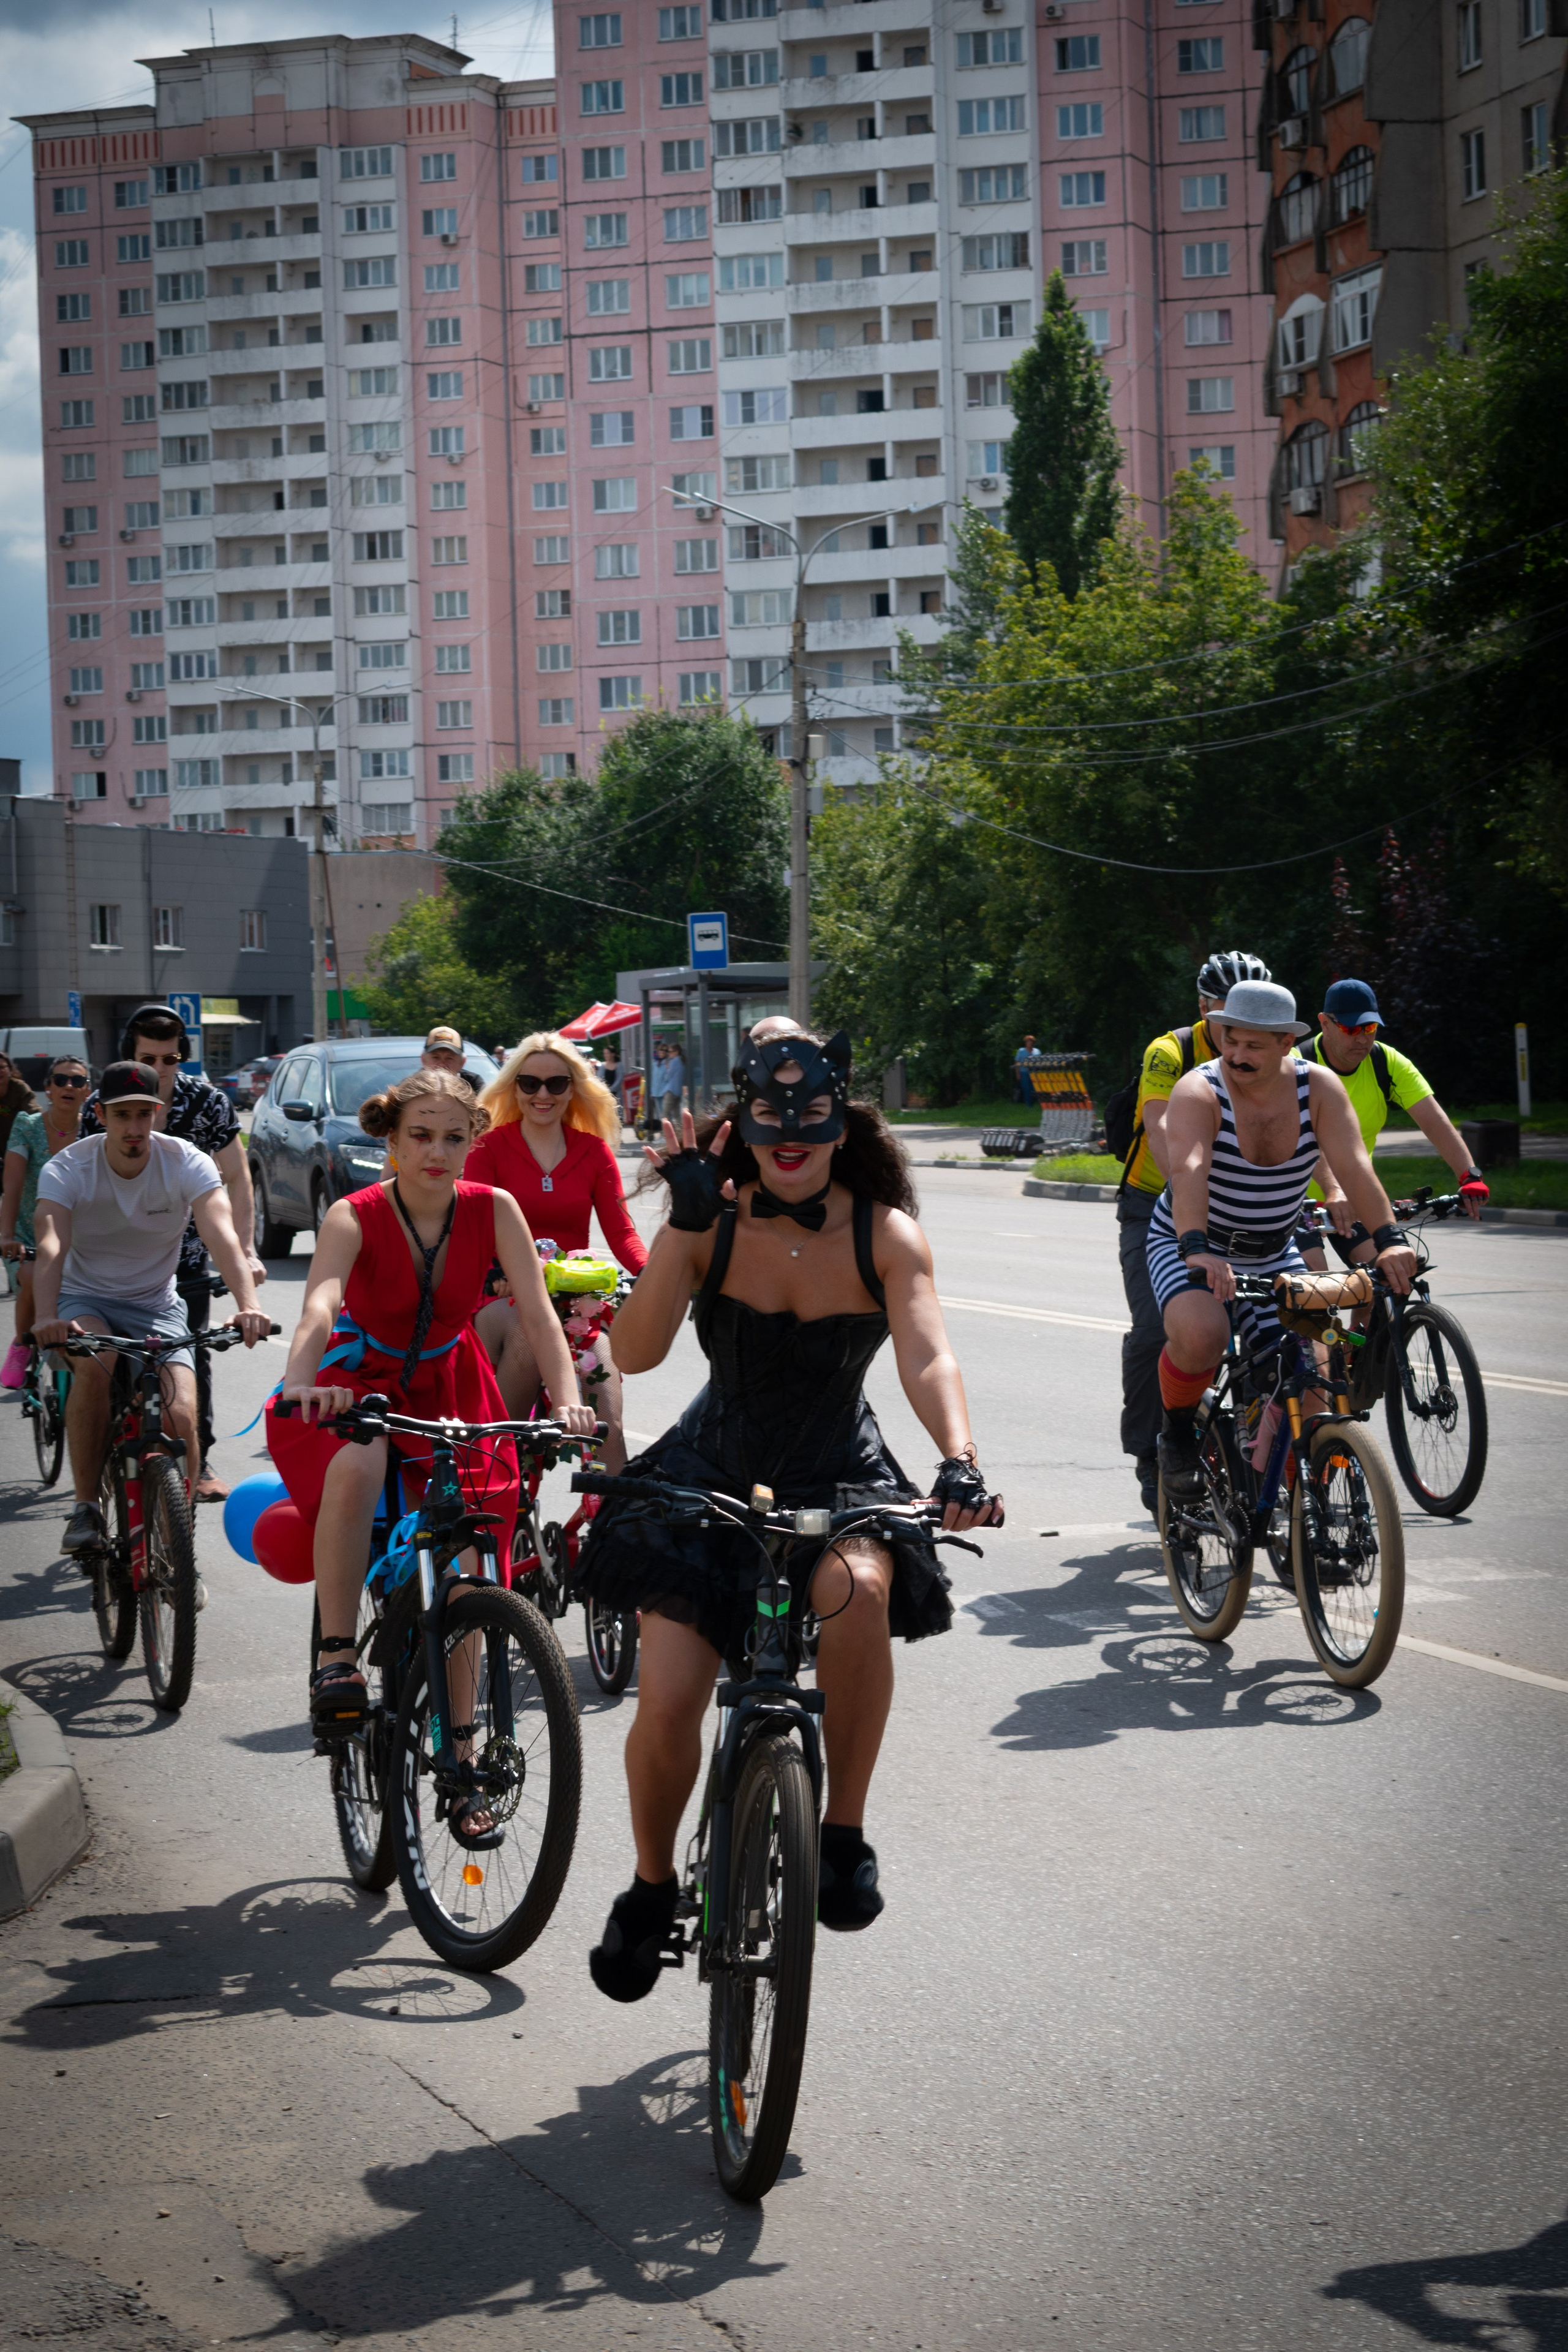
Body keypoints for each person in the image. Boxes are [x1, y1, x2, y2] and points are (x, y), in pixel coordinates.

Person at [578, 1025, 1003, 2000]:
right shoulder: (714, 1222)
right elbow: (636, 1357)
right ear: (743, 1123)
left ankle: (843, 1831)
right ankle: (650, 1889)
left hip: (837, 1475)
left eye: (811, 1115)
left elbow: (929, 1356)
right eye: (769, 1120)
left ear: (841, 1116)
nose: (790, 1138)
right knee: (672, 1695)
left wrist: (960, 1460)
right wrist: (682, 1231)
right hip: (709, 1474)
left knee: (857, 1593)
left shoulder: (882, 1232)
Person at [269, 1069, 594, 1745]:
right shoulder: (351, 1214)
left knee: (470, 1559)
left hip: (453, 1382)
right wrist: (303, 1378)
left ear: (474, 1139)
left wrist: (568, 1402)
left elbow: (538, 1316)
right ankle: (336, 1659)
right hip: (359, 1380)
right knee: (360, 1460)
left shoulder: (496, 1207)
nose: (434, 1153)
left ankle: (466, 1747)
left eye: (452, 1137)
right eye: (418, 1136)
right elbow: (320, 1307)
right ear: (391, 1139)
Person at [1148, 981, 1417, 1499]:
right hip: (1191, 1239)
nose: (1237, 1055)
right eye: (1230, 1040)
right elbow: (1189, 1171)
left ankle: (1303, 1517)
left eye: (1253, 1045)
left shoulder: (1317, 1089)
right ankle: (1178, 1433)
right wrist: (1196, 1248)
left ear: (1285, 1044)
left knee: (1317, 1380)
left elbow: (1355, 1169)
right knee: (1202, 1335)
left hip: (1274, 1249)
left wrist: (1388, 1240)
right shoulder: (1199, 1090)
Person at [31, 1063, 270, 1556]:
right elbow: (52, 1243)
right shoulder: (68, 1168)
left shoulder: (187, 1162)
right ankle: (85, 1507)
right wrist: (47, 1315)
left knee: (182, 1413)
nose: (134, 1128)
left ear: (159, 1115)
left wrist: (249, 1305)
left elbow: (221, 1234)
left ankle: (179, 1545)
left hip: (156, 1303)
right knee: (101, 1368)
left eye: (144, 1114)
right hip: (84, 1300)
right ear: (99, 1115)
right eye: (122, 1116)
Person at [78, 1003, 267, 1505]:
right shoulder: (104, 1104)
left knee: (190, 1358)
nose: (161, 1071)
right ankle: (96, 1461)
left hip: (184, 1260)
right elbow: (84, 1184)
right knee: (105, 1364)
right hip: (114, 1259)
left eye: (170, 1060)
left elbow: (237, 1178)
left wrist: (246, 1250)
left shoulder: (207, 1102)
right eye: (150, 1058)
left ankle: (197, 1464)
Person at [1115, 951, 1272, 1517]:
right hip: (1154, 1202)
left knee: (1285, 1335)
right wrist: (1186, 1203)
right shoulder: (1171, 1052)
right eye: (1222, 1010)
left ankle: (1267, 1457)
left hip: (1239, 1210)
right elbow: (1162, 1132)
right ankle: (1152, 1452)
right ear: (1202, 1007)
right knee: (1161, 1329)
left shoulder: (1274, 1050)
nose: (1236, 1023)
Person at [468, 1033, 647, 1472]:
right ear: (514, 1088)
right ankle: (492, 1478)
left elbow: (623, 1233)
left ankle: (614, 1526)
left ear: (574, 1088)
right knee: (527, 1342)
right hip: (499, 1295)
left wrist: (656, 1273)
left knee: (609, 1423)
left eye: (556, 1084)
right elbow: (471, 1230)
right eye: (529, 1084)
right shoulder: (488, 1147)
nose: (542, 1095)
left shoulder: (594, 1152)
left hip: (575, 1303)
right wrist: (499, 1270)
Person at [1305, 978, 1490, 1250]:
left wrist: (1469, 1175)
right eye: (1350, 1028)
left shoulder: (1387, 1063)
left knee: (1392, 1274)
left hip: (1355, 1199)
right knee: (1311, 1286)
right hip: (1292, 1202)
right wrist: (1333, 1191)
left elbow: (1434, 1122)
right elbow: (1304, 1140)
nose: (1362, 1038)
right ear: (1325, 1024)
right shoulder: (1298, 1065)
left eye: (1369, 1027)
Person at [1, 1055, 89, 1386]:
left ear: (86, 1092)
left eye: (77, 1081)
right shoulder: (27, 1125)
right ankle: (22, 1343)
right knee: (31, 1274)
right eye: (61, 1080)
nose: (69, 1086)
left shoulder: (95, 1130)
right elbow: (11, 1186)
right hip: (29, 1236)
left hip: (81, 1238)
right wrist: (7, 1236)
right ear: (48, 1089)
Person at [0, 1052, 37, 1159]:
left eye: (2, 1067)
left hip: (18, 1143)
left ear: (10, 1070)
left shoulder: (20, 1089)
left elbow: (34, 1114)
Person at [657, 1041, 685, 1125]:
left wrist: (667, 1067)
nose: (668, 1054)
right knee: (676, 1114)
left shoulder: (674, 1061)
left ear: (676, 1052)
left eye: (670, 1052)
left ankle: (665, 1135)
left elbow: (667, 1077)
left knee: (665, 1114)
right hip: (678, 1091)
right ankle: (681, 1132)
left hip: (671, 1090)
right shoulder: (681, 1061)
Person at [1012, 1034, 1040, 1106]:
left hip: (1034, 1073)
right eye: (1028, 1042)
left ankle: (1034, 1103)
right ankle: (1029, 1104)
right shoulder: (1021, 1051)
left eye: (1031, 1042)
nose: (1030, 1043)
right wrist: (1018, 1074)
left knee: (1034, 1089)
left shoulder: (1037, 1051)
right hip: (1024, 1072)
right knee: (1026, 1089)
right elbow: (1017, 1062)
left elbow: (1040, 1062)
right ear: (1026, 1043)